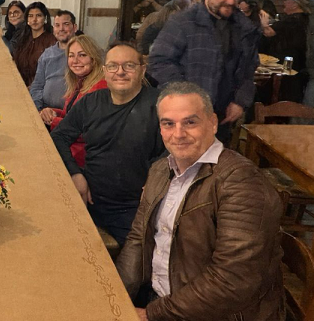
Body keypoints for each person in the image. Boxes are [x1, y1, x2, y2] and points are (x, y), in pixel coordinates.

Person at [116, 81, 284, 321]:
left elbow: (232, 280)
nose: (178, 134)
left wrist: (151, 314)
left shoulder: (242, 183)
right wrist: (115, 296)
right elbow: (138, 239)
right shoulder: (160, 170)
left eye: (190, 122)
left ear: (213, 123)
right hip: (163, 300)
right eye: (168, 124)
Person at [51, 43, 165, 245]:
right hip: (88, 200)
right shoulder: (91, 102)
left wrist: (157, 179)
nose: (120, 72)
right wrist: (75, 173)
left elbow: (174, 150)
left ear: (142, 70)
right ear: (104, 70)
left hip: (135, 209)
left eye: (129, 65)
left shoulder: (160, 105)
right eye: (113, 66)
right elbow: (59, 137)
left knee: (136, 261)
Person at [148, 0, 259, 144]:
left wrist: (240, 101)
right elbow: (158, 61)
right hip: (183, 114)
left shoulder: (244, 27)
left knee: (217, 160)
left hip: (223, 116)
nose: (231, 1)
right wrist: (185, 95)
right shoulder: (183, 22)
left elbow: (249, 68)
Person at [43, 35, 107, 167]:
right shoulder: (79, 82)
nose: (75, 61)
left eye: (82, 55)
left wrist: (54, 121)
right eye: (71, 56)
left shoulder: (100, 87)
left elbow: (87, 131)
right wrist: (51, 112)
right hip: (69, 148)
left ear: (93, 58)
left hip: (82, 159)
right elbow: (71, 115)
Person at [29, 10, 78, 111]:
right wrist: (40, 111)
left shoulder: (84, 53)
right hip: (46, 111)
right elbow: (37, 86)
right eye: (57, 25)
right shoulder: (46, 55)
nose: (61, 29)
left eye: (66, 24)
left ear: (75, 27)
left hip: (73, 112)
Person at [259, 0, 311, 71]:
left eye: (287, 0)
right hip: (299, 59)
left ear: (295, 5)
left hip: (287, 60)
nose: (284, 2)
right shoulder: (306, 18)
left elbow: (268, 33)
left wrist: (264, 23)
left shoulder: (293, 20)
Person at [12, 2, 57, 86]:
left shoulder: (52, 41)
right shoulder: (23, 38)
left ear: (45, 18)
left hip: (41, 88)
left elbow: (51, 72)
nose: (34, 20)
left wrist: (32, 88)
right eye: (30, 16)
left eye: (38, 16)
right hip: (20, 86)